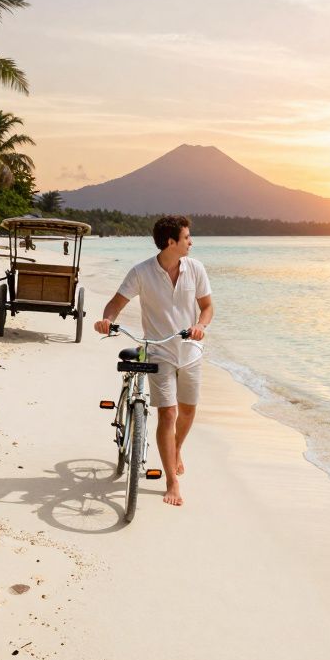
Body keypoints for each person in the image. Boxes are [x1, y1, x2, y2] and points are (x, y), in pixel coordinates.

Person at [94, 216, 213, 506]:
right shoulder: (141, 272)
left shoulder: (195, 268)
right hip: (159, 352)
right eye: (187, 237)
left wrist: (200, 326)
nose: (191, 242)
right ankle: (172, 480)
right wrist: (107, 320)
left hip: (191, 351)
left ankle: (176, 449)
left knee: (188, 411)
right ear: (171, 242)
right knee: (168, 414)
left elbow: (207, 307)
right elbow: (115, 303)